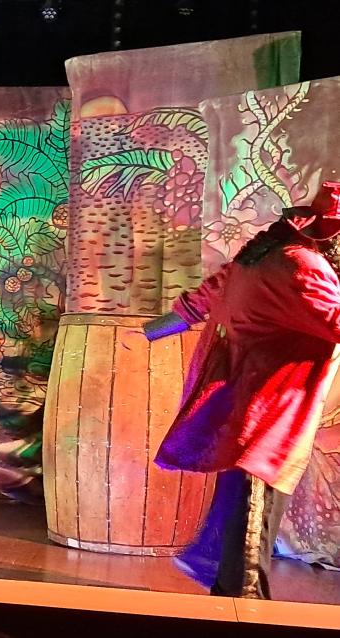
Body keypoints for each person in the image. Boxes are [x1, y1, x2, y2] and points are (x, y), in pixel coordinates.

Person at [142, 180, 340, 599]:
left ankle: (231, 598)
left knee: (243, 505)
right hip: (271, 409)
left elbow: (203, 297)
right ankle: (244, 606)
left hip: (251, 403)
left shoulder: (265, 255)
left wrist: (150, 331)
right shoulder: (303, 266)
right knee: (254, 511)